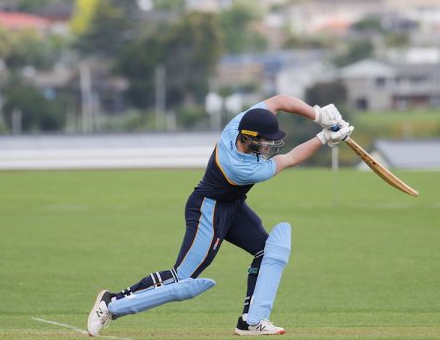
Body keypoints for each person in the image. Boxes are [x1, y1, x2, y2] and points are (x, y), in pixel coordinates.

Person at [87, 94, 353, 337]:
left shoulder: (238, 124)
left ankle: (251, 320)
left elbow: (280, 100)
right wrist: (323, 138)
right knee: (182, 277)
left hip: (233, 205)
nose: (270, 145)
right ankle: (112, 302)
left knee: (267, 251)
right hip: (208, 209)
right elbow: (291, 158)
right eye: (265, 141)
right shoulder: (241, 168)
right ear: (248, 139)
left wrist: (318, 116)